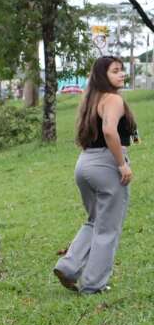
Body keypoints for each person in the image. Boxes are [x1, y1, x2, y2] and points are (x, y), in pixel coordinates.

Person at [53, 56, 137, 295]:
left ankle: (68, 266)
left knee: (94, 220)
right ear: (103, 75)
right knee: (107, 227)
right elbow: (109, 130)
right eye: (115, 71)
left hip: (85, 164)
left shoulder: (92, 99)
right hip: (106, 164)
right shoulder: (113, 99)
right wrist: (122, 164)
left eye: (122, 71)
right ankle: (93, 284)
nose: (122, 75)